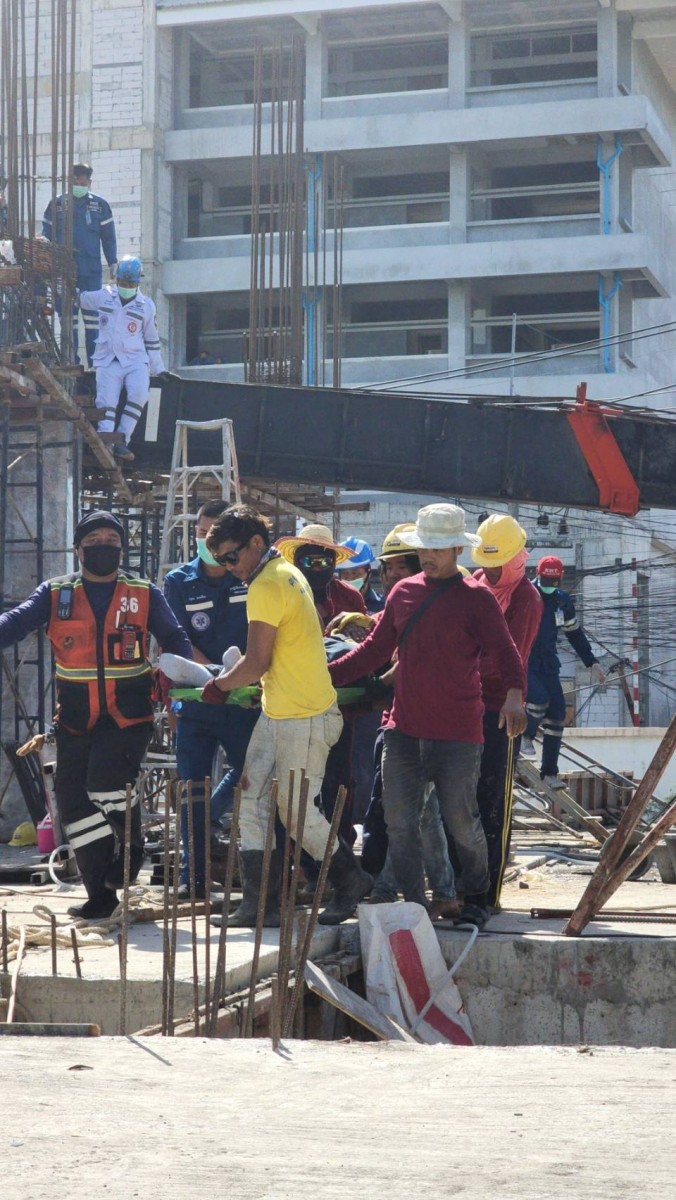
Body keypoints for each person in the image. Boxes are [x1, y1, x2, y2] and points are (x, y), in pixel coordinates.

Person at [328, 503, 526, 928]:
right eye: (425, 548)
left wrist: (514, 696)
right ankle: (416, 902)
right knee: (400, 822)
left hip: (457, 734)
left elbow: (507, 655)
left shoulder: (477, 600)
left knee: (461, 821)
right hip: (403, 730)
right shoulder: (403, 593)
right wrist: (323, 676)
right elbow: (375, 651)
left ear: (457, 548)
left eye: (438, 548)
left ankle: (475, 895)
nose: (429, 556)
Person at [0, 510, 192, 920]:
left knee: (106, 781)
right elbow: (15, 624)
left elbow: (175, 639)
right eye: (95, 540)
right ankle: (100, 894)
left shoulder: (143, 593)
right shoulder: (56, 593)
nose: (104, 546)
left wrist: (180, 685)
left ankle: (132, 845)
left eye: (111, 540)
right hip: (74, 716)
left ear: (121, 549)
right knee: (73, 803)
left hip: (128, 713)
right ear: (78, 549)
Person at [200, 504, 373, 927]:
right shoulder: (283, 573)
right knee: (253, 799)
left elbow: (256, 661)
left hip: (306, 716)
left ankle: (350, 881)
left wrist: (219, 685)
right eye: (219, 560)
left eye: (230, 556)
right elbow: (285, 648)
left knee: (295, 813)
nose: (227, 566)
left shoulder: (267, 584)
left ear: (255, 543)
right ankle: (260, 905)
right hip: (282, 712)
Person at [358, 524, 457, 918]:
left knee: (406, 812)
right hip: (401, 722)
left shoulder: (446, 599)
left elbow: (406, 664)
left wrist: (367, 685)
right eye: (388, 568)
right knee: (421, 813)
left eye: (405, 565)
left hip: (435, 725)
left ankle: (387, 887)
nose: (395, 575)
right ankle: (444, 891)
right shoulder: (403, 603)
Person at [163, 500, 259, 900]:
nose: (206, 541)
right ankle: (194, 876)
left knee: (252, 773)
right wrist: (216, 678)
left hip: (246, 701)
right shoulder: (179, 581)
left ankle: (267, 874)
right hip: (198, 702)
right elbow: (179, 642)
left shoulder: (253, 578)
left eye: (213, 534)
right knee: (191, 786)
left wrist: (236, 681)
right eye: (201, 533)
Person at [470, 513, 543, 906]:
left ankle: (488, 894)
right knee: (462, 802)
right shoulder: (476, 585)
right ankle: (464, 886)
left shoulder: (526, 599)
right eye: (485, 563)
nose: (490, 572)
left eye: (497, 565)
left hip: (500, 709)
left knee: (493, 801)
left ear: (516, 560)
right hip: (464, 706)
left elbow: (508, 657)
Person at [522, 555, 606, 788]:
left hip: (548, 663)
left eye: (554, 581)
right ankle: (525, 737)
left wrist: (592, 662)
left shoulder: (562, 602)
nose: (550, 585)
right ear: (537, 575)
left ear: (559, 579)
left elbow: (575, 634)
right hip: (523, 660)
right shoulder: (524, 595)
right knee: (539, 700)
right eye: (546, 580)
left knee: (558, 712)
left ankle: (549, 772)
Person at [79, 255, 165, 462]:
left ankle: (122, 440)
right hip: (107, 359)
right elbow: (80, 299)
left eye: (130, 283)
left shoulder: (146, 306)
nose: (126, 286)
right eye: (123, 282)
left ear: (137, 282)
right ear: (117, 280)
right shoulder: (104, 296)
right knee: (106, 402)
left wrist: (159, 369)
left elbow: (152, 340)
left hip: (135, 360)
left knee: (139, 394)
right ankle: (107, 442)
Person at [42, 162, 118, 365]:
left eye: (82, 181)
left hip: (90, 271)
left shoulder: (99, 206)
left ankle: (95, 364)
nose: (78, 184)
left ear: (89, 183)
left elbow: (108, 238)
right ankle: (71, 361)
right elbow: (46, 236)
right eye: (74, 181)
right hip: (62, 271)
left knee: (93, 321)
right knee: (68, 320)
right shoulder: (57, 204)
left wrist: (113, 263)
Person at [275, 524, 366, 627]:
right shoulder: (283, 596)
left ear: (334, 563)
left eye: (324, 562)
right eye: (308, 562)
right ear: (297, 562)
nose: (316, 568)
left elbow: (368, 634)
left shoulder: (350, 596)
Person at [334, 538, 384, 613]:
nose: (350, 579)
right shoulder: (332, 606)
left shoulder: (383, 606)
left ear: (368, 572)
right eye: (345, 574)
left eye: (355, 573)